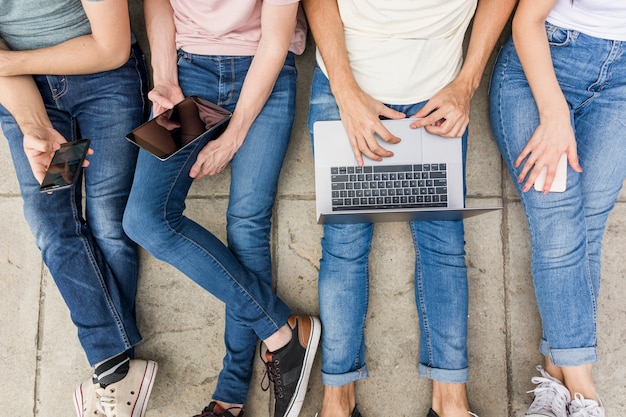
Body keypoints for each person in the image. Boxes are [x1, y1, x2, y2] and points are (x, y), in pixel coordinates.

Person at [300, 1, 516, 416]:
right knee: (344, 244)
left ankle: (451, 399)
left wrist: (467, 84)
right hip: (346, 90)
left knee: (444, 243)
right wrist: (345, 93)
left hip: (438, 95)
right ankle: (337, 399)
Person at [122, 1, 320, 417]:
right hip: (188, 73)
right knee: (144, 219)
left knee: (247, 225)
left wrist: (232, 139)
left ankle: (228, 401)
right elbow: (157, 5)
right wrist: (165, 80)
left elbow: (274, 41)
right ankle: (282, 332)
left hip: (265, 72)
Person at [0, 1, 158, 417]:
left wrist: (10, 62)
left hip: (103, 85)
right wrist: (34, 126)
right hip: (32, 98)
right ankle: (115, 365)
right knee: (52, 223)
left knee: (108, 219)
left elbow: (111, 49)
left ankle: (111, 370)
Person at [489, 0, 626, 416]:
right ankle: (584, 391)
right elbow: (527, 19)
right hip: (545, 64)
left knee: (586, 231)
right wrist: (554, 116)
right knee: (559, 226)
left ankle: (555, 379)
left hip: (620, 84)